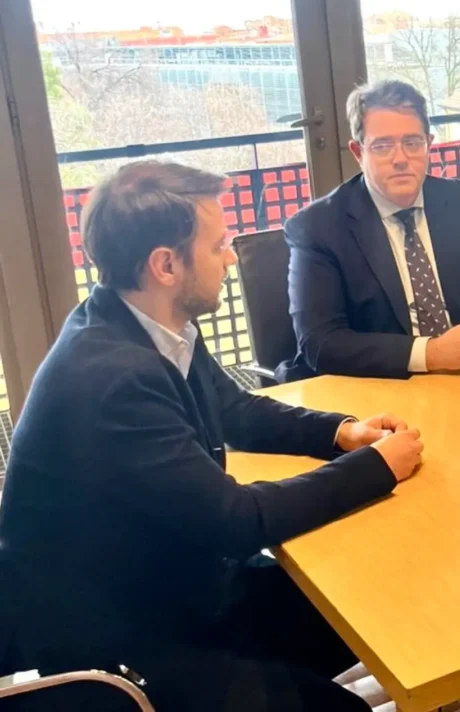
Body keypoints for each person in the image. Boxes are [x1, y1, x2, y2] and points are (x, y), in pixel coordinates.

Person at [0, 161, 423, 711]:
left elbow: (234, 409)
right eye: (219, 245)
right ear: (166, 265)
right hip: (130, 638)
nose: (230, 257)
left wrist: (343, 432)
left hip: (177, 581)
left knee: (370, 599)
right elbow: (237, 521)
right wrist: (377, 467)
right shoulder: (113, 378)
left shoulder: (140, 322)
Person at [276, 80, 460, 382]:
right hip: (379, 389)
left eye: (412, 143)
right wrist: (432, 354)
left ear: (429, 144)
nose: (400, 159)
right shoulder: (318, 227)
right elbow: (321, 344)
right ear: (358, 152)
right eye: (382, 146)